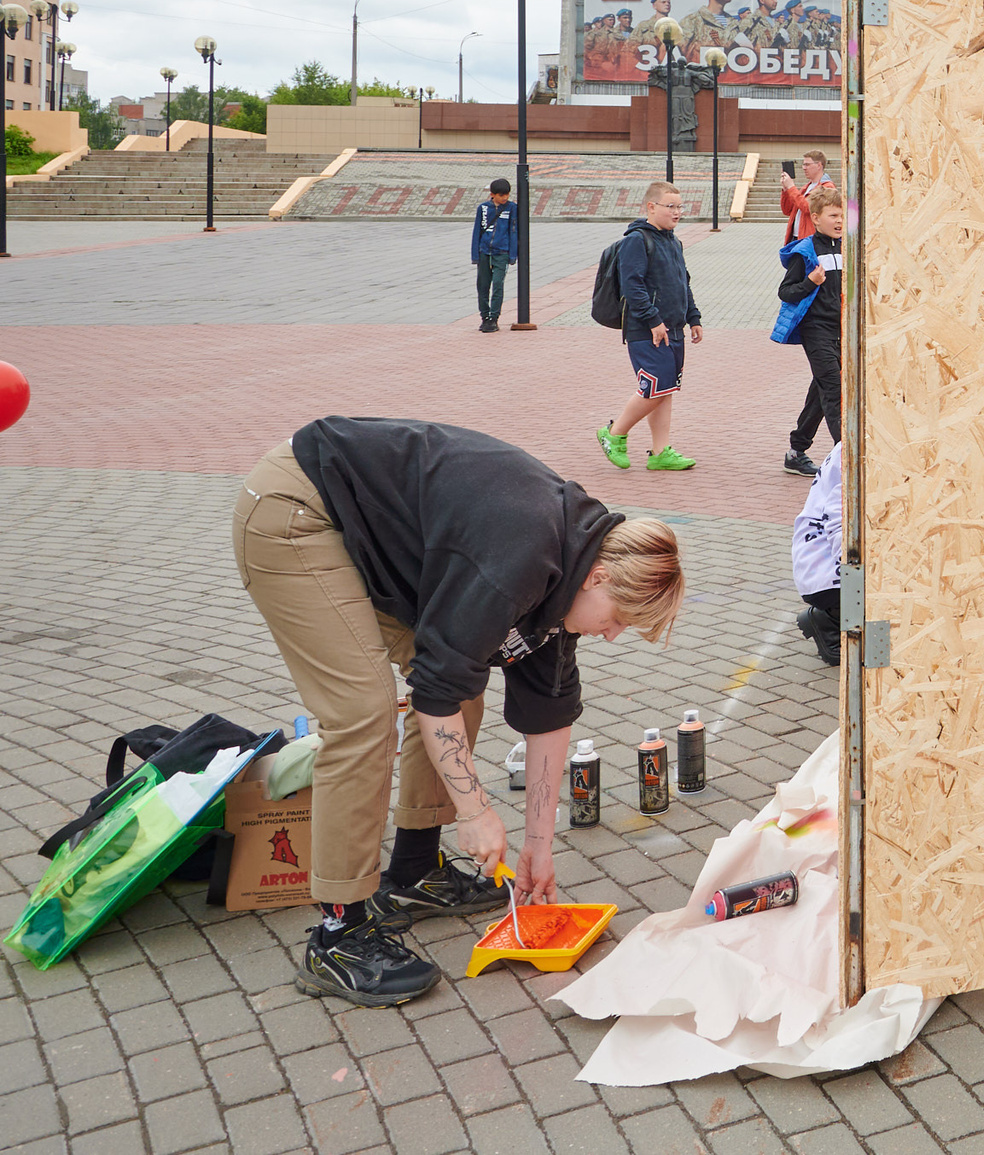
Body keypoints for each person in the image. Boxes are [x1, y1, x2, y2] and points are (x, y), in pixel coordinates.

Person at [232, 416, 685, 1004]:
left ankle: (413, 872)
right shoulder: (519, 560)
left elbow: (549, 714)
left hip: (365, 532)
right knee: (364, 715)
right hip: (297, 513)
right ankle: (339, 935)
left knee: (463, 681)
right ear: (598, 576)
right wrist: (474, 810)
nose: (613, 634)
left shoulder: (569, 576)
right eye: (619, 618)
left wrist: (538, 844)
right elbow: (435, 691)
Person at [599, 180, 703, 472]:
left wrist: (693, 317)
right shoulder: (637, 240)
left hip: (673, 328)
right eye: (671, 206)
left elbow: (683, 283)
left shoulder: (673, 241)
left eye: (680, 206)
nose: (677, 212)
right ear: (651, 207)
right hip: (646, 329)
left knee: (665, 388)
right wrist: (653, 320)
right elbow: (632, 286)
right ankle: (614, 433)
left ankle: (660, 452)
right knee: (654, 387)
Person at [776, 183, 846, 476]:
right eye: (833, 216)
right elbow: (786, 292)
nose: (839, 221)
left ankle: (796, 451)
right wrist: (810, 282)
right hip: (815, 330)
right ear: (815, 218)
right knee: (835, 388)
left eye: (842, 215)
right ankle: (847, 456)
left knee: (821, 389)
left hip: (842, 330)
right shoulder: (805, 251)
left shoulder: (848, 247)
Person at [791, 441, 846, 663]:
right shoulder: (861, 447)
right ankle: (828, 621)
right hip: (825, 568)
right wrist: (857, 572)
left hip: (823, 559)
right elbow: (839, 518)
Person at [469, 179, 519, 333]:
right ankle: (484, 317)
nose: (505, 198)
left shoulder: (512, 208)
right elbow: (477, 231)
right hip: (484, 252)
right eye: (501, 195)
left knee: (498, 284)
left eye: (507, 194)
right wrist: (475, 255)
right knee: (483, 285)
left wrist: (512, 254)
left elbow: (513, 231)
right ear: (492, 194)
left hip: (501, 252)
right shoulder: (483, 208)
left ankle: (494, 318)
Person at [780, 147, 831, 242]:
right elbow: (787, 210)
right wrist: (786, 190)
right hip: (796, 237)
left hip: (810, 239)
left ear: (819, 165)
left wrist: (791, 187)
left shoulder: (827, 187)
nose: (804, 168)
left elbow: (808, 207)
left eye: (807, 164)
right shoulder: (806, 188)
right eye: (803, 164)